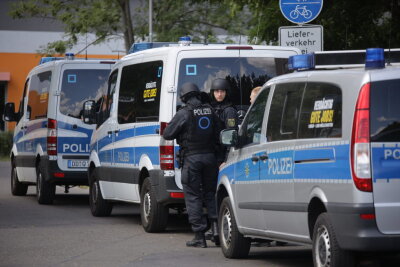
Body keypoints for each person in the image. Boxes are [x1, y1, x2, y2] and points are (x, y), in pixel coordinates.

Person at [163, 82, 220, 248]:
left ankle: (199, 237)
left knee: (193, 196)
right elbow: (219, 132)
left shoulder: (184, 113)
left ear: (184, 97)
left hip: (192, 159)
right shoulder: (210, 110)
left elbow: (168, 134)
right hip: (210, 158)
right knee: (211, 194)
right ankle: (216, 231)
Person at [209, 78, 238, 166]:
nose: (219, 94)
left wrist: (226, 160)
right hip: (212, 154)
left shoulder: (229, 111)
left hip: (222, 156)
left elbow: (231, 136)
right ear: (213, 93)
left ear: (226, 93)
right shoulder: (210, 109)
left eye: (222, 91)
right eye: (217, 91)